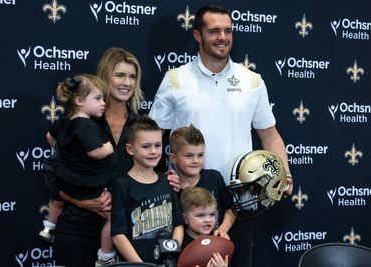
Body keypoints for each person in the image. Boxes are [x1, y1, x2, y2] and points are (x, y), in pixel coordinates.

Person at [149, 4, 293, 267]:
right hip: (188, 202)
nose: (222, 38)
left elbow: (270, 135)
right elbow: (153, 138)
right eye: (214, 31)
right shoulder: (175, 79)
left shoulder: (252, 80)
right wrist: (156, 182)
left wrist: (285, 171)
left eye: (228, 31)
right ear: (197, 35)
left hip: (238, 202)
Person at [51, 48, 180, 267]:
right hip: (79, 228)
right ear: (104, 77)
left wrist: (168, 182)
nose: (127, 82)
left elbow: (153, 176)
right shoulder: (80, 122)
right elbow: (54, 177)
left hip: (132, 238)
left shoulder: (143, 126)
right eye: (120, 75)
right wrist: (84, 202)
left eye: (132, 76)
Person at [41, 74, 118, 266]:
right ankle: (105, 256)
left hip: (66, 178)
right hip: (87, 185)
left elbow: (49, 138)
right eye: (98, 99)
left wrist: (65, 148)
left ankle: (48, 227)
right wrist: (109, 147)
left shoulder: (64, 121)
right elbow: (95, 152)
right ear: (79, 101)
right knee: (113, 218)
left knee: (57, 198)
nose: (103, 103)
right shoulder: (87, 125)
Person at [110, 114, 184, 263]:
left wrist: (170, 255)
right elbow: (118, 234)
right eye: (146, 146)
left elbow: (178, 225)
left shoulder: (167, 181)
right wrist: (140, 265)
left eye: (157, 145)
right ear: (130, 149)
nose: (153, 151)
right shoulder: (122, 184)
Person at [169, 124, 235, 239]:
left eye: (200, 155)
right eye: (189, 156)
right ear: (173, 158)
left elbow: (231, 209)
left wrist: (222, 229)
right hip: (184, 252)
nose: (195, 161)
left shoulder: (214, 177)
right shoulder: (169, 186)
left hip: (216, 248)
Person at [180, 187, 229, 267]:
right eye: (200, 215)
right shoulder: (180, 243)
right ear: (185, 218)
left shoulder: (218, 241)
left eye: (212, 214)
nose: (208, 220)